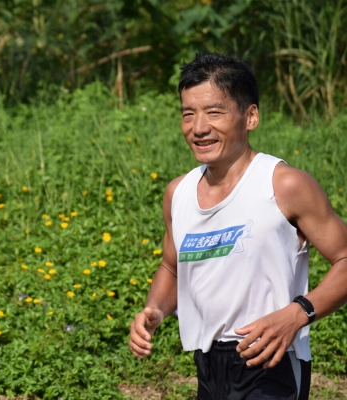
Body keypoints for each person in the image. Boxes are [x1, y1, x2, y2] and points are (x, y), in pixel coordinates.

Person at [128, 52, 347, 400]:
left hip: (272, 362)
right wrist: (154, 309)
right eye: (188, 114)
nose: (199, 127)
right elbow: (171, 266)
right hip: (209, 365)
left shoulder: (284, 185)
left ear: (251, 116)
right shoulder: (177, 193)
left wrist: (297, 314)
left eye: (214, 112)